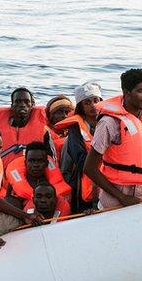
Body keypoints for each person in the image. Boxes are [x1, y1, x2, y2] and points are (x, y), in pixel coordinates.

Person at [83, 69, 142, 209]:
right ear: (126, 92)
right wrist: (121, 197)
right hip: (115, 196)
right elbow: (89, 168)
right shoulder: (109, 122)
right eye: (140, 91)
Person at [57, 82, 102, 213]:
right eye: (87, 102)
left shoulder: (108, 121)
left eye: (95, 100)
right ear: (81, 107)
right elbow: (81, 160)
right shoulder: (75, 129)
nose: (93, 105)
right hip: (81, 180)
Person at [4, 141, 72, 217]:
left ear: (46, 163)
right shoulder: (14, 187)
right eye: (32, 161)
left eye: (40, 161)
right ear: (25, 163)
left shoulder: (55, 183)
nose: (35, 165)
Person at [0, 87, 53, 165]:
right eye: (18, 102)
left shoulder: (44, 131)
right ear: (12, 106)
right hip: (2, 174)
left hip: (32, 175)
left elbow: (51, 159)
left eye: (26, 102)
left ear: (32, 105)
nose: (22, 105)